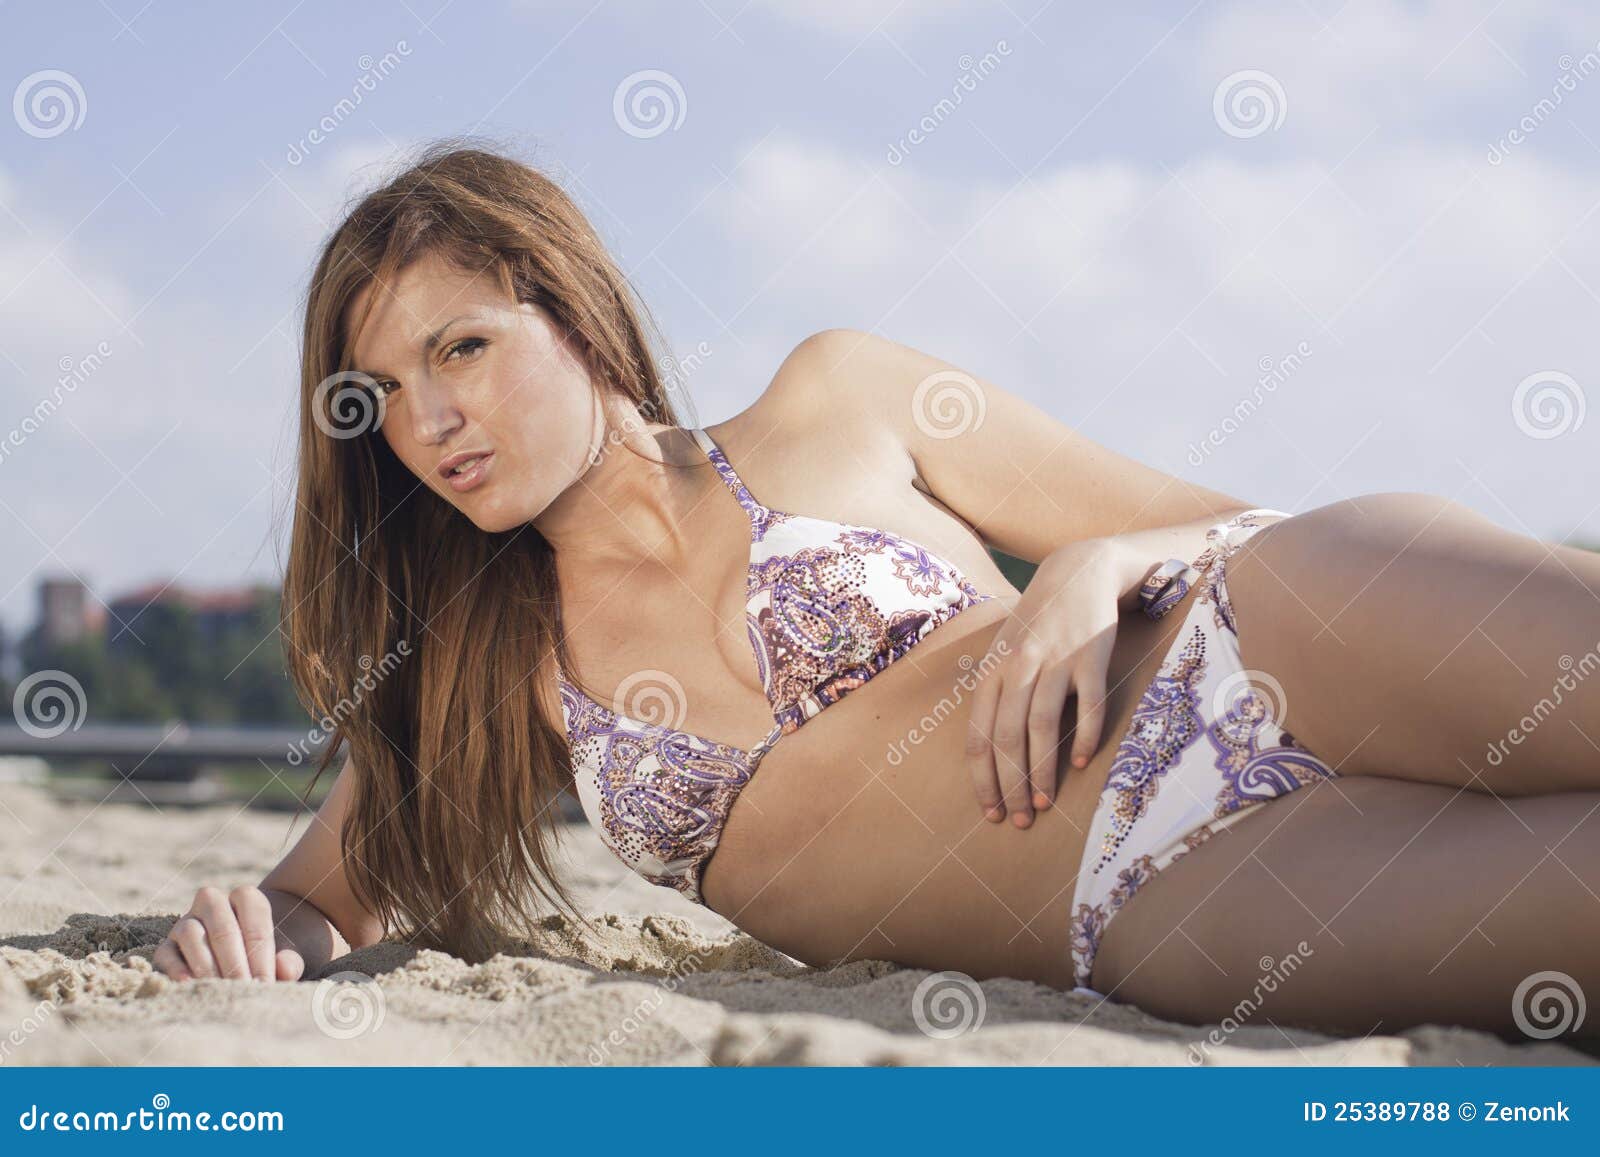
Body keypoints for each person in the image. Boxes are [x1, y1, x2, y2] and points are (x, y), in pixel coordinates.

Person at [154, 141, 1600, 1042]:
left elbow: (1202, 518)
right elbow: (318, 897)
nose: (431, 422)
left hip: (1256, 634)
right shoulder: (488, 665)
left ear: (568, 303)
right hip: (1157, 906)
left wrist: (1091, 565)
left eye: (462, 348)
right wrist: (255, 935)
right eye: (387, 391)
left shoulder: (838, 393)